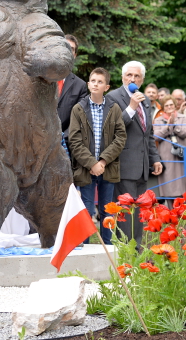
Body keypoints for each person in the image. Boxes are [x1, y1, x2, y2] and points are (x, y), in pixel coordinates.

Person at [106, 61, 162, 245]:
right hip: (125, 164)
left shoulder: (144, 99)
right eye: (129, 75)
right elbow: (114, 126)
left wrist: (155, 159)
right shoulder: (113, 96)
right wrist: (130, 107)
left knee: (139, 211)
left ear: (142, 79)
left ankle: (136, 248)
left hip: (143, 166)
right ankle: (124, 249)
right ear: (122, 77)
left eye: (137, 76)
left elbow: (148, 133)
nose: (132, 79)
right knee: (126, 210)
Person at [68, 68, 126, 244]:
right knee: (86, 210)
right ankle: (84, 247)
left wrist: (103, 161)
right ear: (88, 84)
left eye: (100, 82)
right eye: (93, 81)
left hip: (107, 168)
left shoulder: (114, 109)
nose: (95, 84)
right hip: (86, 169)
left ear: (106, 87)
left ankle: (107, 245)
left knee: (107, 209)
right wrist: (92, 163)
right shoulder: (78, 109)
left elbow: (120, 137)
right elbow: (74, 140)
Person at [153, 95, 186, 202]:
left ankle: (182, 213)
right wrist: (167, 127)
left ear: (175, 105)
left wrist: (175, 126)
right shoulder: (158, 120)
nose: (169, 107)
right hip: (165, 155)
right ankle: (169, 213)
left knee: (181, 183)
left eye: (171, 105)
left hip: (180, 155)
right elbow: (155, 136)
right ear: (163, 107)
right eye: (166, 105)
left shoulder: (182, 118)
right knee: (168, 184)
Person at [56, 34, 88, 144]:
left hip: (63, 144)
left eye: (72, 49)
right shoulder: (42, 78)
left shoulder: (80, 86)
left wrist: (62, 138)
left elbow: (78, 118)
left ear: (74, 55)